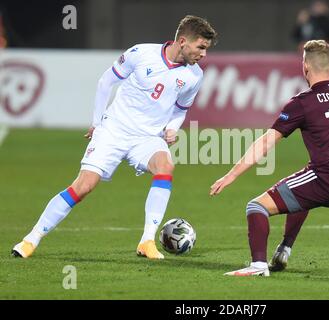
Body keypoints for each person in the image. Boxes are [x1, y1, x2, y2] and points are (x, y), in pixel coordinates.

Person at [12, 15, 217, 259]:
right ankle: (31, 239)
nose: (204, 54)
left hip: (147, 137)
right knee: (84, 186)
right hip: (114, 130)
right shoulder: (141, 53)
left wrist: (172, 127)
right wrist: (97, 123)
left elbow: (180, 109)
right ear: (183, 41)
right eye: (201, 47)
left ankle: (147, 241)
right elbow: (106, 81)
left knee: (165, 166)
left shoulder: (194, 76)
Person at [210, 40, 329, 277]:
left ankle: (258, 266)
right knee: (300, 188)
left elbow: (267, 142)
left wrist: (232, 174)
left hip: (327, 179)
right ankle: (284, 250)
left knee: (256, 207)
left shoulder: (303, 102)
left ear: (305, 67)